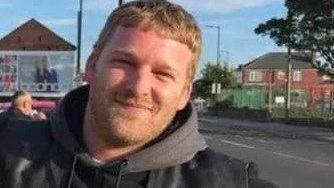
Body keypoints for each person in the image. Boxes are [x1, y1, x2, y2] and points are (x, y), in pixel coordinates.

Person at [0, 1, 276, 187]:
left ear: (184, 93)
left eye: (163, 74)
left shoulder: (230, 182)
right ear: (92, 67)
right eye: (124, 62)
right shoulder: (7, 147)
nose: (138, 87)